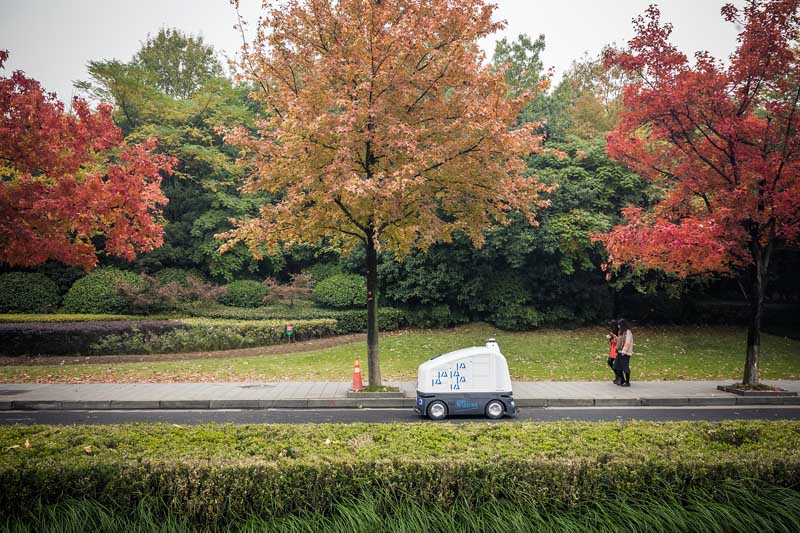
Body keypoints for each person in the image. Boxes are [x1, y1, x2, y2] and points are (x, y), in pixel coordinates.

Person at [614, 319, 633, 387]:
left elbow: (627, 342)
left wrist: (624, 351)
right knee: (616, 366)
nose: (618, 326)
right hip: (619, 352)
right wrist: (615, 338)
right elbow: (620, 341)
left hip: (625, 353)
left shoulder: (628, 332)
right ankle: (622, 380)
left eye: (619, 325)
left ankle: (627, 382)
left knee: (625, 367)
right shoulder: (622, 332)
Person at [605, 320, 621, 384]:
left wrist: (613, 336)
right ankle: (617, 376)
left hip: (617, 350)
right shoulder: (612, 331)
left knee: (617, 364)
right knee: (610, 362)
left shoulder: (619, 331)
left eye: (611, 325)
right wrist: (610, 337)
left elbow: (619, 341)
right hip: (612, 349)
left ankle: (619, 378)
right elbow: (612, 341)